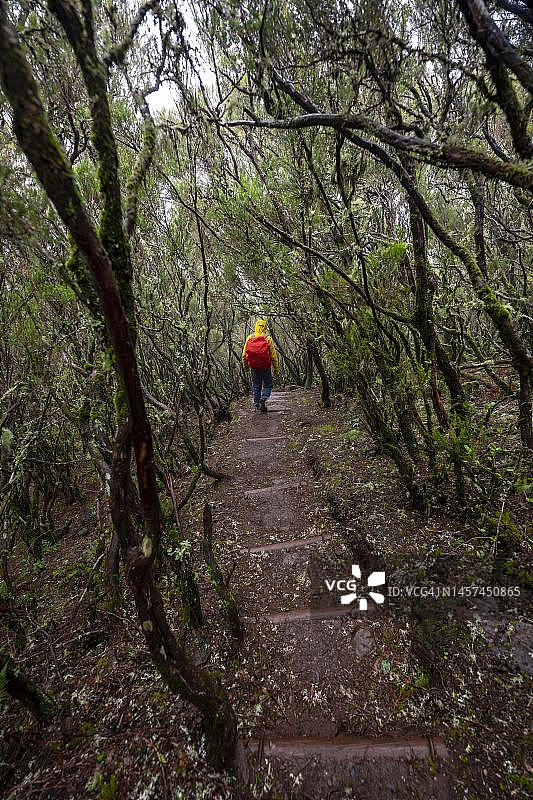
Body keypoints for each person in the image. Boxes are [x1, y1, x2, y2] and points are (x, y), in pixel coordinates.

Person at [242, 319, 279, 412]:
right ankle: (264, 398)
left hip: (254, 367)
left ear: (256, 327)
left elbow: (244, 355)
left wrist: (246, 367)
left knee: (256, 385)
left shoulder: (250, 337)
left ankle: (257, 403)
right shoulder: (268, 338)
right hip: (266, 366)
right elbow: (273, 356)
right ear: (265, 327)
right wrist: (276, 368)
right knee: (268, 384)